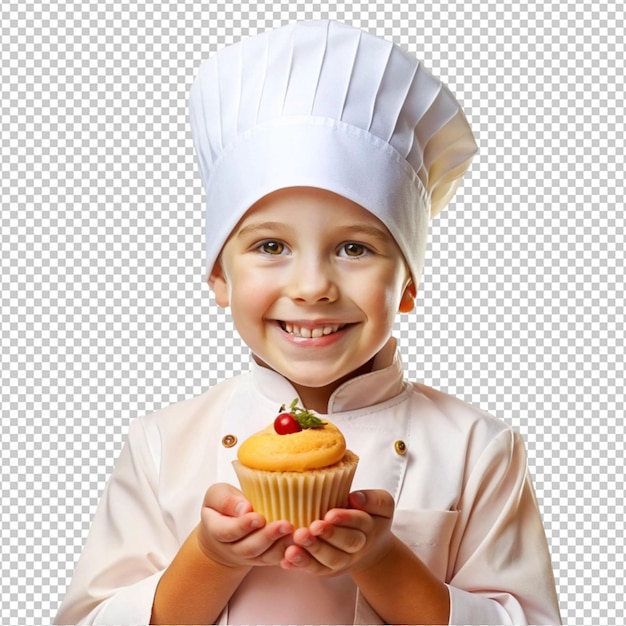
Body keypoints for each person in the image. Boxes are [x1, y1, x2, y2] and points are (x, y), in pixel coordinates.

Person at [54, 19, 561, 625]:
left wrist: (381, 559)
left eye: (355, 249)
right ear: (220, 277)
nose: (313, 287)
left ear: (408, 286)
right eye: (270, 246)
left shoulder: (481, 449)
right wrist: (211, 558)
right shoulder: (163, 444)